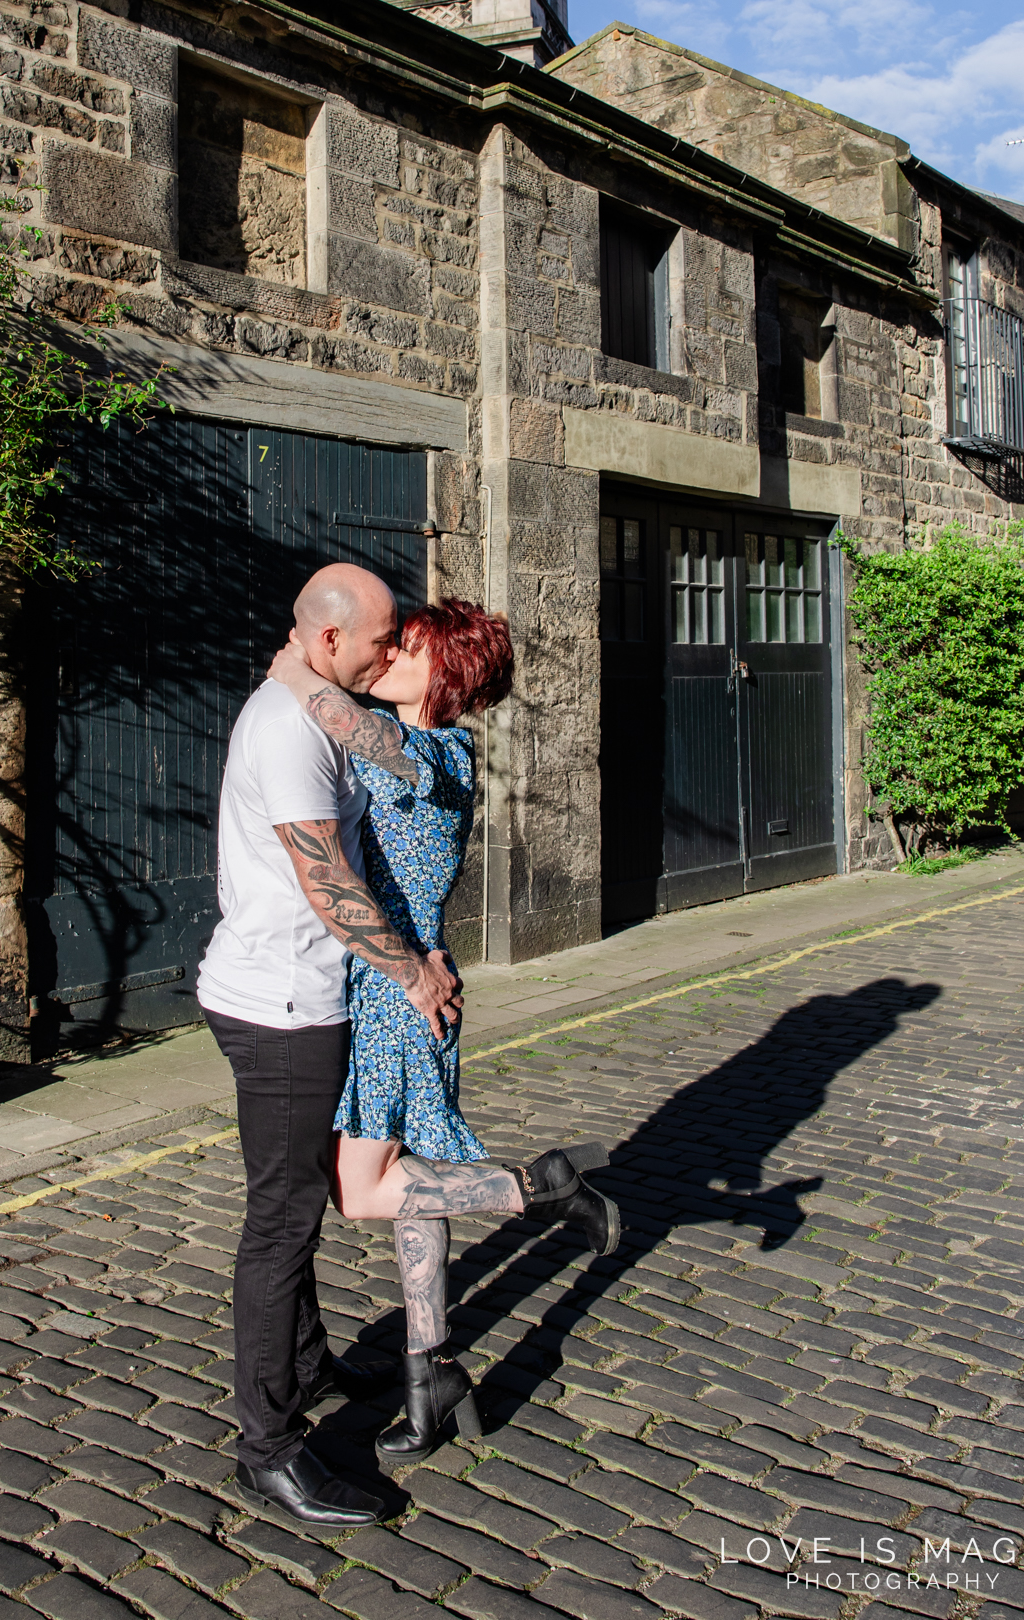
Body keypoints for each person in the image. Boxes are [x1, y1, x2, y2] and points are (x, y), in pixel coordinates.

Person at [268, 596, 619, 1464]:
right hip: (397, 980)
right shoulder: (419, 749)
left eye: (408, 649)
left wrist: (294, 672)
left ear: (448, 673)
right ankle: (432, 1375)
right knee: (411, 1183)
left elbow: (357, 732)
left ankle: (541, 1190)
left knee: (360, 1192)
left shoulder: (441, 753)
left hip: (399, 996)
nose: (386, 656)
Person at [195, 563, 462, 1529]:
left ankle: (308, 1366)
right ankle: (268, 1449)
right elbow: (326, 880)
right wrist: (413, 972)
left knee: (297, 1189)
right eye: (381, 640)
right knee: (283, 1221)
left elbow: (399, 748)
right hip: (280, 1008)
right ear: (327, 638)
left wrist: (312, 682)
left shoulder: (317, 704)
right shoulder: (288, 730)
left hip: (307, 998)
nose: (393, 652)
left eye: (403, 643)